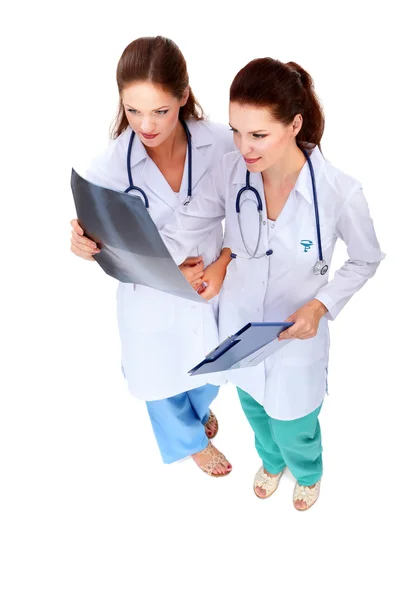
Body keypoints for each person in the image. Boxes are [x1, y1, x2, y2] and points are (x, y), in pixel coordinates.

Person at [161, 57, 384, 508]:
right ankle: (270, 462)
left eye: (258, 134)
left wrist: (320, 307)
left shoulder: (341, 192)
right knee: (255, 412)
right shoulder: (231, 171)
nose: (243, 146)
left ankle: (306, 470)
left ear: (294, 124)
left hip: (295, 339)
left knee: (295, 425)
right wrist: (114, 239)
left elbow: (365, 260)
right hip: (241, 329)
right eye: (236, 130)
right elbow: (185, 224)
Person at [70, 36, 235, 477]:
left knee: (214, 367)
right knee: (159, 377)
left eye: (160, 110)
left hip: (213, 283)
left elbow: (250, 210)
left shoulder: (222, 143)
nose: (146, 125)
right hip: (150, 295)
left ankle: (197, 410)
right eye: (133, 110)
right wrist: (83, 245)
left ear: (183, 96)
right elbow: (109, 248)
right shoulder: (104, 169)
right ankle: (190, 441)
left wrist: (223, 262)